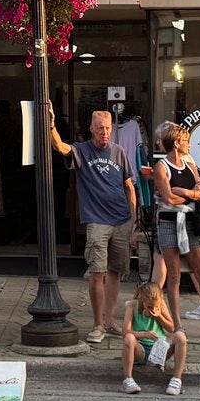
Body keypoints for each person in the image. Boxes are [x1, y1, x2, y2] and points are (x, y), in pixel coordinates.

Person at [49, 106, 136, 344]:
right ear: (91, 129)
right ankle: (98, 325)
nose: (104, 133)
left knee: (116, 272)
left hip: (122, 220)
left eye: (108, 128)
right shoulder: (82, 151)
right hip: (97, 221)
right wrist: (51, 124)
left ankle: (110, 321)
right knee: (97, 272)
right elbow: (60, 147)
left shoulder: (119, 152)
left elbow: (130, 187)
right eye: (100, 129)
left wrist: (134, 222)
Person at [153, 122, 200, 342]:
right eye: (186, 141)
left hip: (191, 223)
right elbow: (168, 198)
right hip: (168, 222)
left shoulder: (190, 163)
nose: (189, 144)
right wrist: (192, 195)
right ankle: (177, 325)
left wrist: (185, 192)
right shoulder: (161, 166)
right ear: (177, 143)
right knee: (174, 275)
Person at [119, 280, 186, 396]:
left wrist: (159, 316)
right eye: (150, 306)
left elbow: (171, 328)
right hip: (140, 350)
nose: (153, 308)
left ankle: (176, 380)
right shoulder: (132, 305)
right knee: (129, 338)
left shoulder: (160, 304)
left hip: (158, 349)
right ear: (143, 301)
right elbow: (125, 332)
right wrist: (144, 334)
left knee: (180, 336)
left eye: (156, 305)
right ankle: (128, 380)